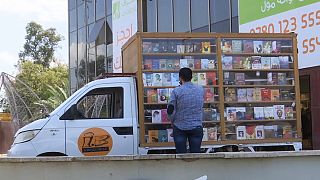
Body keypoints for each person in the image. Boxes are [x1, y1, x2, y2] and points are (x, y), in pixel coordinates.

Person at [167, 67, 204, 153]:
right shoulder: (200, 89)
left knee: (181, 155)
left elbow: (170, 110)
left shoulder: (177, 91)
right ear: (191, 77)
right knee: (195, 155)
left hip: (180, 127)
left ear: (180, 78)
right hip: (196, 126)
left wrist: (172, 121)